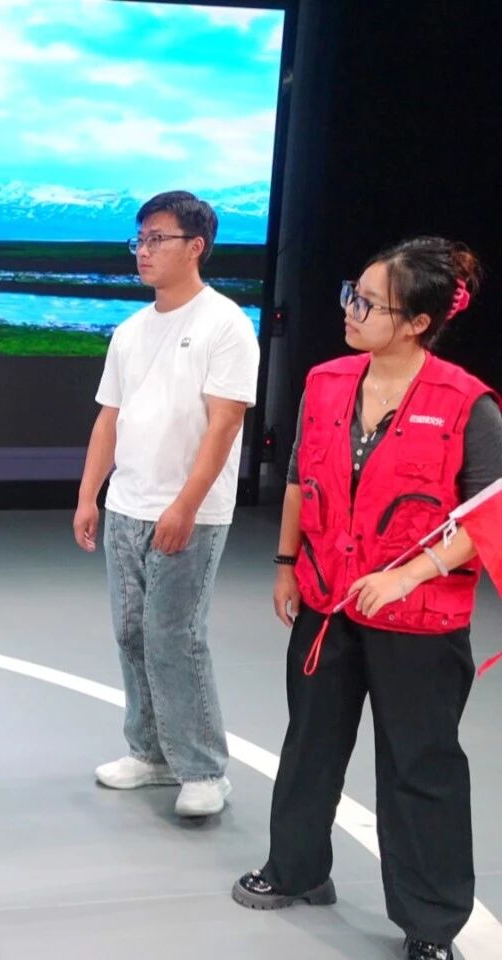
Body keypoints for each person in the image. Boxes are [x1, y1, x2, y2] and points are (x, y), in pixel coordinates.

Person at [232, 237, 502, 960]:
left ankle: (430, 923)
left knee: (420, 765)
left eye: (369, 303)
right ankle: (296, 868)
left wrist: (407, 576)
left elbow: (489, 518)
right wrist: (286, 564)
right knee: (311, 741)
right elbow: (300, 478)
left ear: (417, 323)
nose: (350, 310)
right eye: (352, 293)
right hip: (327, 597)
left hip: (418, 619)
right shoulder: (325, 381)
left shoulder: (467, 405)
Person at [74, 190, 260, 817]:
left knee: (173, 635)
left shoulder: (225, 324)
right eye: (140, 239)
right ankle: (150, 753)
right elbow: (109, 419)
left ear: (195, 246)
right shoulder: (130, 331)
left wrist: (185, 505)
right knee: (132, 633)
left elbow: (225, 422)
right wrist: (90, 494)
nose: (143, 251)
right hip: (127, 503)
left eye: (157, 239)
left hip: (189, 511)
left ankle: (203, 769)